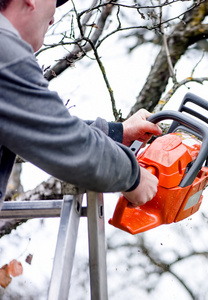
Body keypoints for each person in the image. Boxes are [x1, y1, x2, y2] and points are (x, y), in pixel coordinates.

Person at [0, 0, 162, 211]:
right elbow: (64, 142)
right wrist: (133, 176)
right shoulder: (6, 54)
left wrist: (116, 133)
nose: (53, 17)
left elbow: (41, 125)